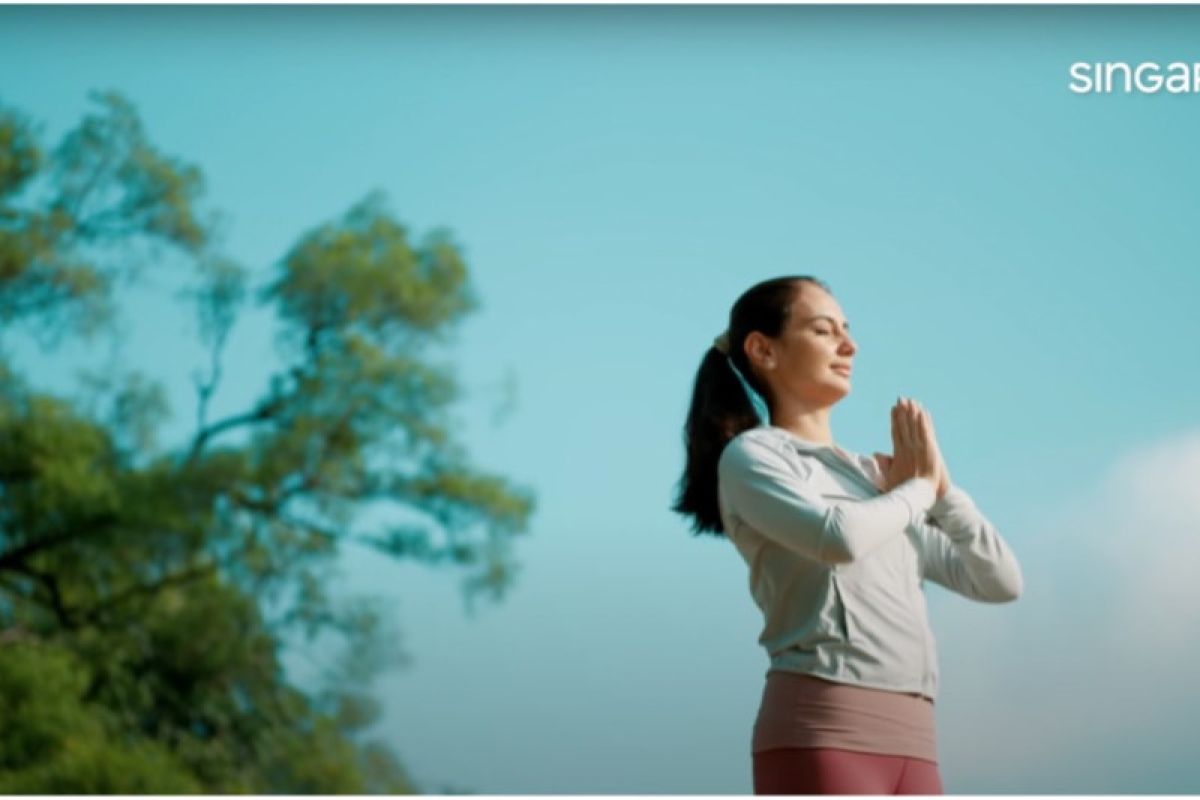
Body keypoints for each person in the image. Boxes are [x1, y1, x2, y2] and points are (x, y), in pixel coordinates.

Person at [672, 275, 1023, 795]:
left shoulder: (878, 481)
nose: (849, 344)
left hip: (917, 743)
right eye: (823, 329)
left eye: (847, 330)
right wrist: (919, 491)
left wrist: (945, 491)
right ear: (763, 350)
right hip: (820, 733)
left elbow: (998, 580)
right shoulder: (753, 457)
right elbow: (837, 538)